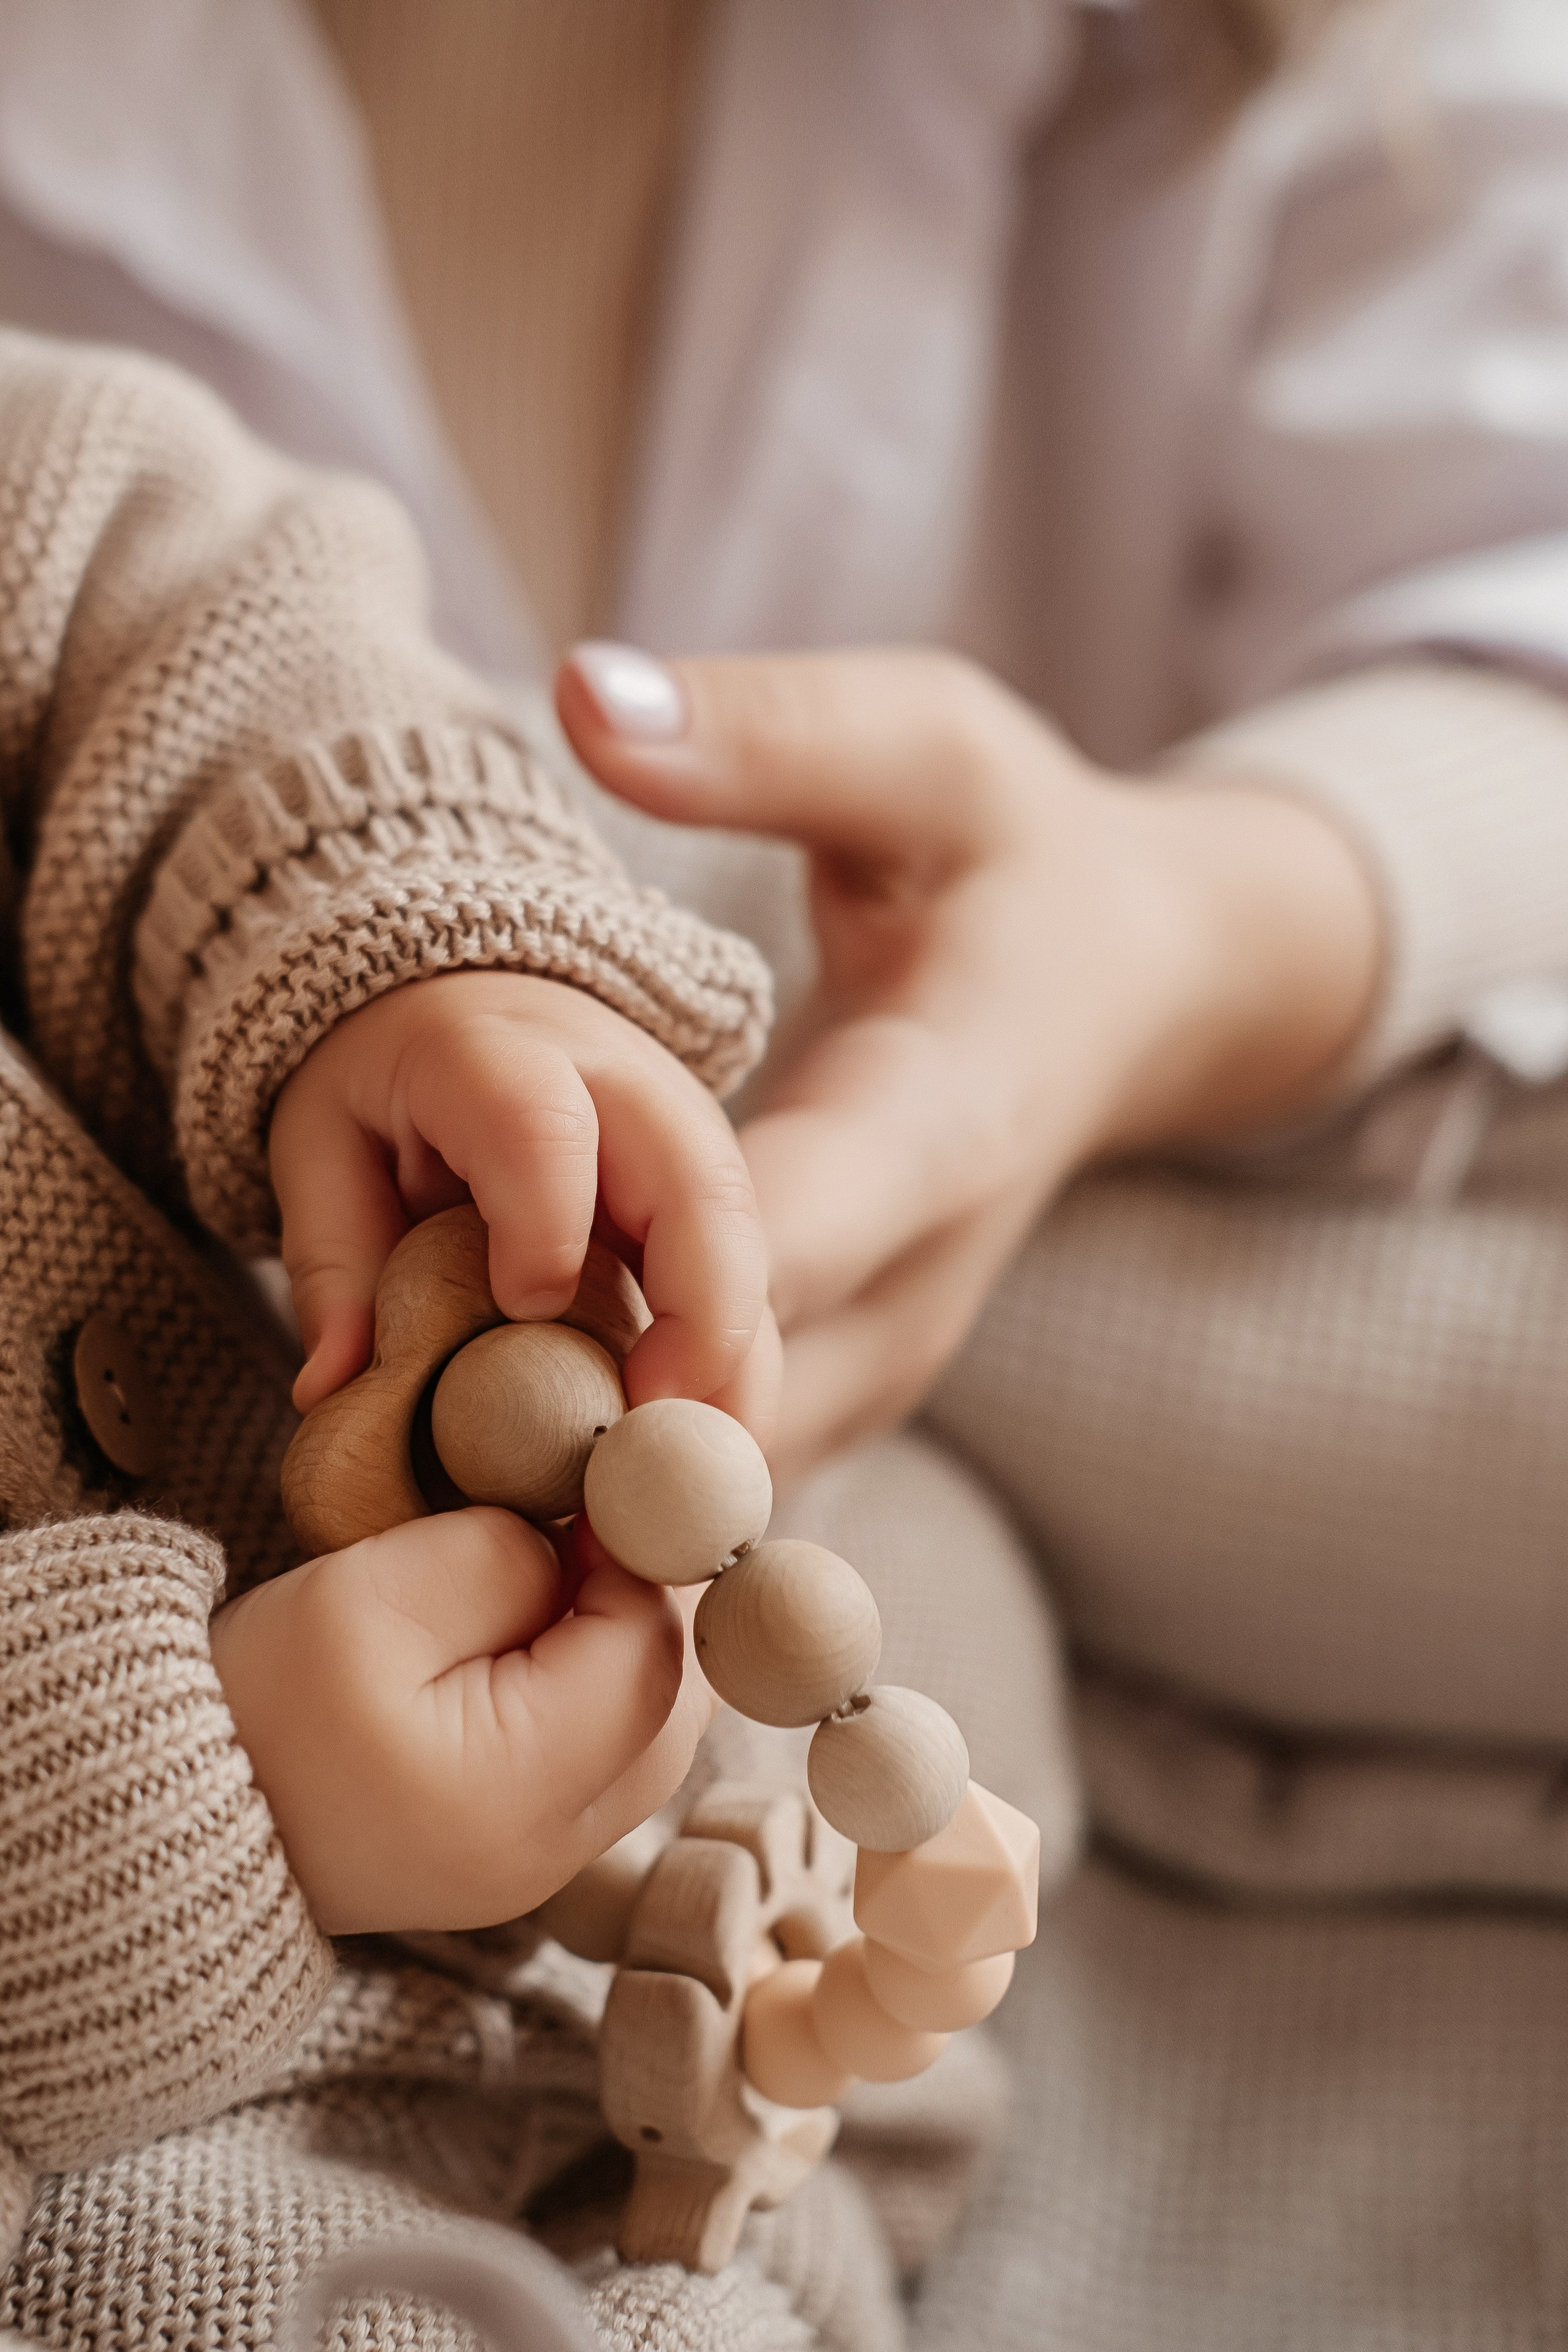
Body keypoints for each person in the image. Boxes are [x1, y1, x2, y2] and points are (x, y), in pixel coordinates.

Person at [6, 0, 1568, 2345]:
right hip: (218, 2079)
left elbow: (129, 555)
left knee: (943, 1571)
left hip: (827, 1267)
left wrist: (401, 934)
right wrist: (190, 1807)